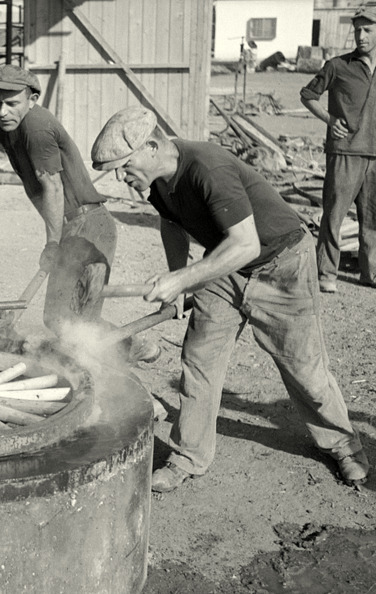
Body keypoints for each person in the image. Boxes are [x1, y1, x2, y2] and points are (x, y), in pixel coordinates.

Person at [91, 106, 369, 491]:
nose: (122, 177)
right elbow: (171, 224)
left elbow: (246, 243)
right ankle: (188, 455)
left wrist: (183, 278)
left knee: (304, 368)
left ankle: (343, 445)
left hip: (282, 262)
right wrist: (180, 284)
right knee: (199, 363)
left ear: (152, 146)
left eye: (125, 166)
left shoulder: (207, 168)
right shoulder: (155, 182)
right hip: (225, 268)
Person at [0, 64, 159, 363]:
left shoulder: (36, 127)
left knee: (75, 321)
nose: (2, 111)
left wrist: (52, 243)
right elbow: (39, 189)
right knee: (59, 319)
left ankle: (117, 367)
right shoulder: (5, 128)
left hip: (89, 226)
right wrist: (58, 235)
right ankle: (130, 348)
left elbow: (51, 186)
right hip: (72, 225)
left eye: (11, 103)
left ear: (32, 99)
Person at [300, 5, 376, 293]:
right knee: (334, 216)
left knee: (373, 219)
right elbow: (308, 95)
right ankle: (326, 273)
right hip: (344, 152)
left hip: (375, 155)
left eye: (368, 30)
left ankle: (371, 273)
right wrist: (329, 119)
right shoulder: (338, 65)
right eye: (357, 29)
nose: (360, 35)